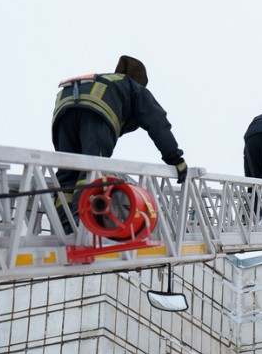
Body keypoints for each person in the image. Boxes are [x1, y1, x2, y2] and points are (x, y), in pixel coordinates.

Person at [51, 55, 186, 233]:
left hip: (63, 112)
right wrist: (175, 158)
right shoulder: (134, 87)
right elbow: (157, 123)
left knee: (68, 173)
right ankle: (79, 223)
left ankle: (64, 223)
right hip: (96, 113)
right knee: (92, 170)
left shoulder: (106, 81)